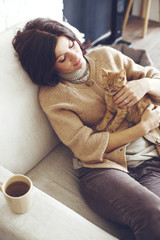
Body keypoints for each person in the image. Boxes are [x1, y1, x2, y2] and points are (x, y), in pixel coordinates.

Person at [12, 18, 160, 240]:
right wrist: (143, 127)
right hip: (102, 170)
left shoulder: (106, 56)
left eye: (71, 44)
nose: (75, 57)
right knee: (152, 213)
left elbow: (154, 77)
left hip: (149, 160)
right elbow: (86, 146)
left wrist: (144, 84)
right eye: (62, 58)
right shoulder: (53, 97)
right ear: (47, 66)